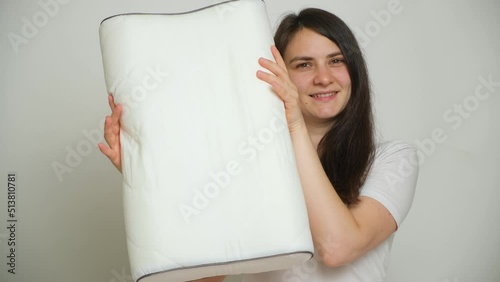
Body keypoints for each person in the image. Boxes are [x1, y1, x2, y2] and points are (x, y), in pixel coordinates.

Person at [98, 7, 419, 282]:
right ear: (279, 73)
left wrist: (291, 124)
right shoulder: (246, 163)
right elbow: (205, 276)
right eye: (304, 64)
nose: (323, 77)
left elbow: (336, 248)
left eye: (335, 60)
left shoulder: (391, 160)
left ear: (355, 71)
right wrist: (149, 181)